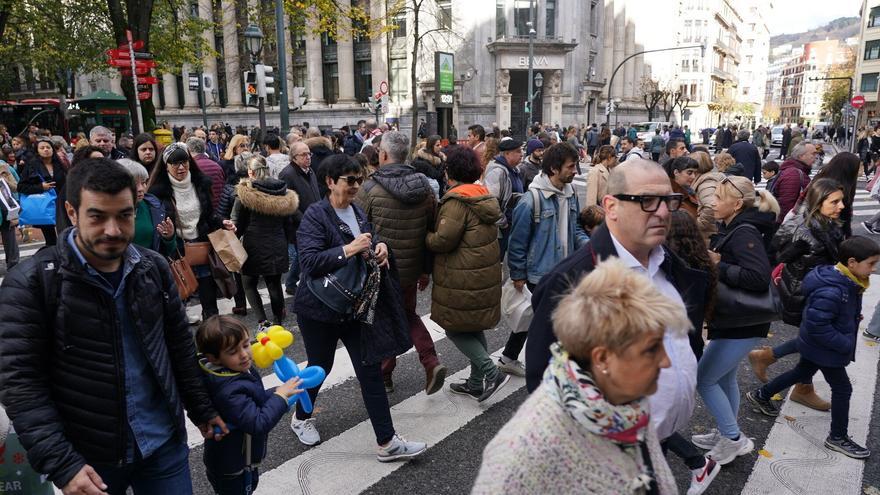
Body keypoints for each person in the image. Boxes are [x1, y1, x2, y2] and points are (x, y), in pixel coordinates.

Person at [0, 158, 227, 494]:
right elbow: (20, 383)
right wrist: (63, 464)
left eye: (124, 215)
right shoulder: (31, 283)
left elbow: (178, 344)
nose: (113, 229)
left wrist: (202, 408)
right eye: (97, 216)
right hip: (89, 458)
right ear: (72, 213)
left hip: (162, 443)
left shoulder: (152, 268)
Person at [472, 259, 688, 495]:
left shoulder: (626, 403)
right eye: (651, 349)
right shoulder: (521, 453)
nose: (666, 361)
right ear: (603, 358)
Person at [291, 153, 427, 460]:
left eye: (359, 179)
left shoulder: (358, 211)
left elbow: (371, 238)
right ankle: (300, 418)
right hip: (319, 309)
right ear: (329, 182)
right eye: (349, 180)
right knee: (319, 367)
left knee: (370, 371)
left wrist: (382, 247)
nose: (355, 186)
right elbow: (309, 262)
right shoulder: (315, 215)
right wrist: (348, 249)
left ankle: (387, 442)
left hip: (355, 306)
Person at [746, 237, 880, 459]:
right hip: (826, 348)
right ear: (853, 262)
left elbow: (830, 315)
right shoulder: (835, 289)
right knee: (843, 389)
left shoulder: (844, 280)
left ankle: (762, 394)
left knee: (801, 372)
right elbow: (819, 325)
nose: (873, 268)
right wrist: (844, 342)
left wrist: (850, 317)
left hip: (817, 345)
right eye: (871, 263)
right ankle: (837, 437)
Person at [355, 131, 446, 394]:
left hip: (378, 266)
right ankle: (430, 361)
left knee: (382, 319)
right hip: (412, 267)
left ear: (383, 155)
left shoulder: (370, 187)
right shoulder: (426, 187)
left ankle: (385, 374)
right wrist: (426, 270)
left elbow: (358, 227)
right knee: (406, 314)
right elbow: (431, 231)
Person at [696, 176, 779, 465]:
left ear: (737, 203)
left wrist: (721, 264)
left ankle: (733, 438)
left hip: (742, 320)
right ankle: (725, 432)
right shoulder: (734, 227)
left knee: (703, 379)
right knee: (725, 376)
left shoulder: (744, 232)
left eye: (719, 198)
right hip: (735, 319)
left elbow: (758, 278)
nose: (713, 202)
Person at [751, 178, 847, 411]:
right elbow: (774, 254)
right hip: (804, 295)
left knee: (814, 341)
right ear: (818, 202)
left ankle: (772, 365)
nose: (841, 206)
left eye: (841, 201)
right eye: (835, 201)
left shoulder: (830, 225)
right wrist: (794, 252)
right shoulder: (799, 226)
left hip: (823, 295)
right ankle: (774, 387)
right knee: (818, 343)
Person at [425, 145, 509, 402]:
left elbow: (443, 240)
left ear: (450, 171)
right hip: (482, 275)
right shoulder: (482, 195)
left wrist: (425, 236)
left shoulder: (456, 201)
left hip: (463, 277)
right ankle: (475, 383)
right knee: (473, 326)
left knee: (454, 328)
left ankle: (490, 372)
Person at [506, 143, 589, 374]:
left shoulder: (571, 196)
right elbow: (517, 242)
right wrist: (518, 274)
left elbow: (576, 230)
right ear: (554, 169)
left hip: (565, 270)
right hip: (539, 273)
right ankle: (546, 368)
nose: (576, 171)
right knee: (540, 321)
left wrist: (591, 246)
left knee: (536, 318)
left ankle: (509, 357)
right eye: (571, 166)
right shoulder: (531, 200)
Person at [197, 315, 303, 494]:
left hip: (241, 455)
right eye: (233, 351)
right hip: (232, 464)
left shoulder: (233, 371)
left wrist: (277, 391)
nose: (244, 354)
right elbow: (258, 423)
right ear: (214, 358)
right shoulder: (228, 390)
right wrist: (280, 398)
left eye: (246, 345)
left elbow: (253, 399)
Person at [148, 143, 236, 322]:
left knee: (208, 295)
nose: (181, 168)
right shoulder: (158, 193)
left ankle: (212, 330)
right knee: (180, 293)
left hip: (202, 245)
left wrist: (221, 222)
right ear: (166, 166)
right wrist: (167, 235)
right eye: (175, 164)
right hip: (176, 248)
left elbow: (210, 214)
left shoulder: (201, 183)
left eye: (184, 162)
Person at [231, 155, 299, 328]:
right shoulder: (282, 190)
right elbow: (288, 222)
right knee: (274, 284)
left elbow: (237, 223)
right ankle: (278, 321)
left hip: (253, 243)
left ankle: (262, 321)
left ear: (251, 172)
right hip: (277, 241)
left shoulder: (246, 193)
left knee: (249, 283)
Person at [280, 141, 322, 296]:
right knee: (305, 254)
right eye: (303, 154)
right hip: (299, 223)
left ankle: (291, 282)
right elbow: (287, 202)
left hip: (313, 219)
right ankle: (306, 287)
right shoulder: (287, 174)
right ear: (294, 157)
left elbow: (315, 194)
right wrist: (304, 219)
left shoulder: (309, 170)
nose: (308, 157)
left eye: (309, 153)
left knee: (302, 253)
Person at [116, 159, 177, 256]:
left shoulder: (152, 207)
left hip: (149, 267)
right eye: (135, 183)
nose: (141, 188)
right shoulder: (109, 212)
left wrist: (168, 237)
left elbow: (166, 252)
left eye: (143, 182)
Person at [18, 138, 65, 245]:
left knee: (65, 234)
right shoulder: (32, 166)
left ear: (53, 150)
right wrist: (40, 187)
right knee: (51, 240)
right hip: (44, 206)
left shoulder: (60, 164)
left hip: (61, 204)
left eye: (48, 147)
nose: (45, 150)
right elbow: (21, 187)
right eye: (42, 148)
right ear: (37, 151)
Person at [484, 138, 524, 256]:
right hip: (501, 229)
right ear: (507, 153)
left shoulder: (513, 170)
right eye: (517, 151)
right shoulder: (497, 172)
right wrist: (503, 223)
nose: (521, 154)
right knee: (499, 259)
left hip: (513, 224)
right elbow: (491, 202)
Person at [811, 152, 860, 237]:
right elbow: (843, 221)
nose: (841, 206)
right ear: (850, 171)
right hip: (824, 232)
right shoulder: (838, 190)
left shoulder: (819, 180)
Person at [774, 142, 816, 223]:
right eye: (813, 154)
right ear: (801, 156)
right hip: (789, 227)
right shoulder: (793, 174)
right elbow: (786, 206)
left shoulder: (797, 171)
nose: (815, 157)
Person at [690, 151, 724, 244]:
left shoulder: (706, 183)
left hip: (708, 234)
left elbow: (711, 206)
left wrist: (698, 224)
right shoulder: (705, 180)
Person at [187, 137, 226, 210]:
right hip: (219, 208)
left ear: (189, 150)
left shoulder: (192, 167)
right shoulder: (217, 166)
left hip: (202, 210)